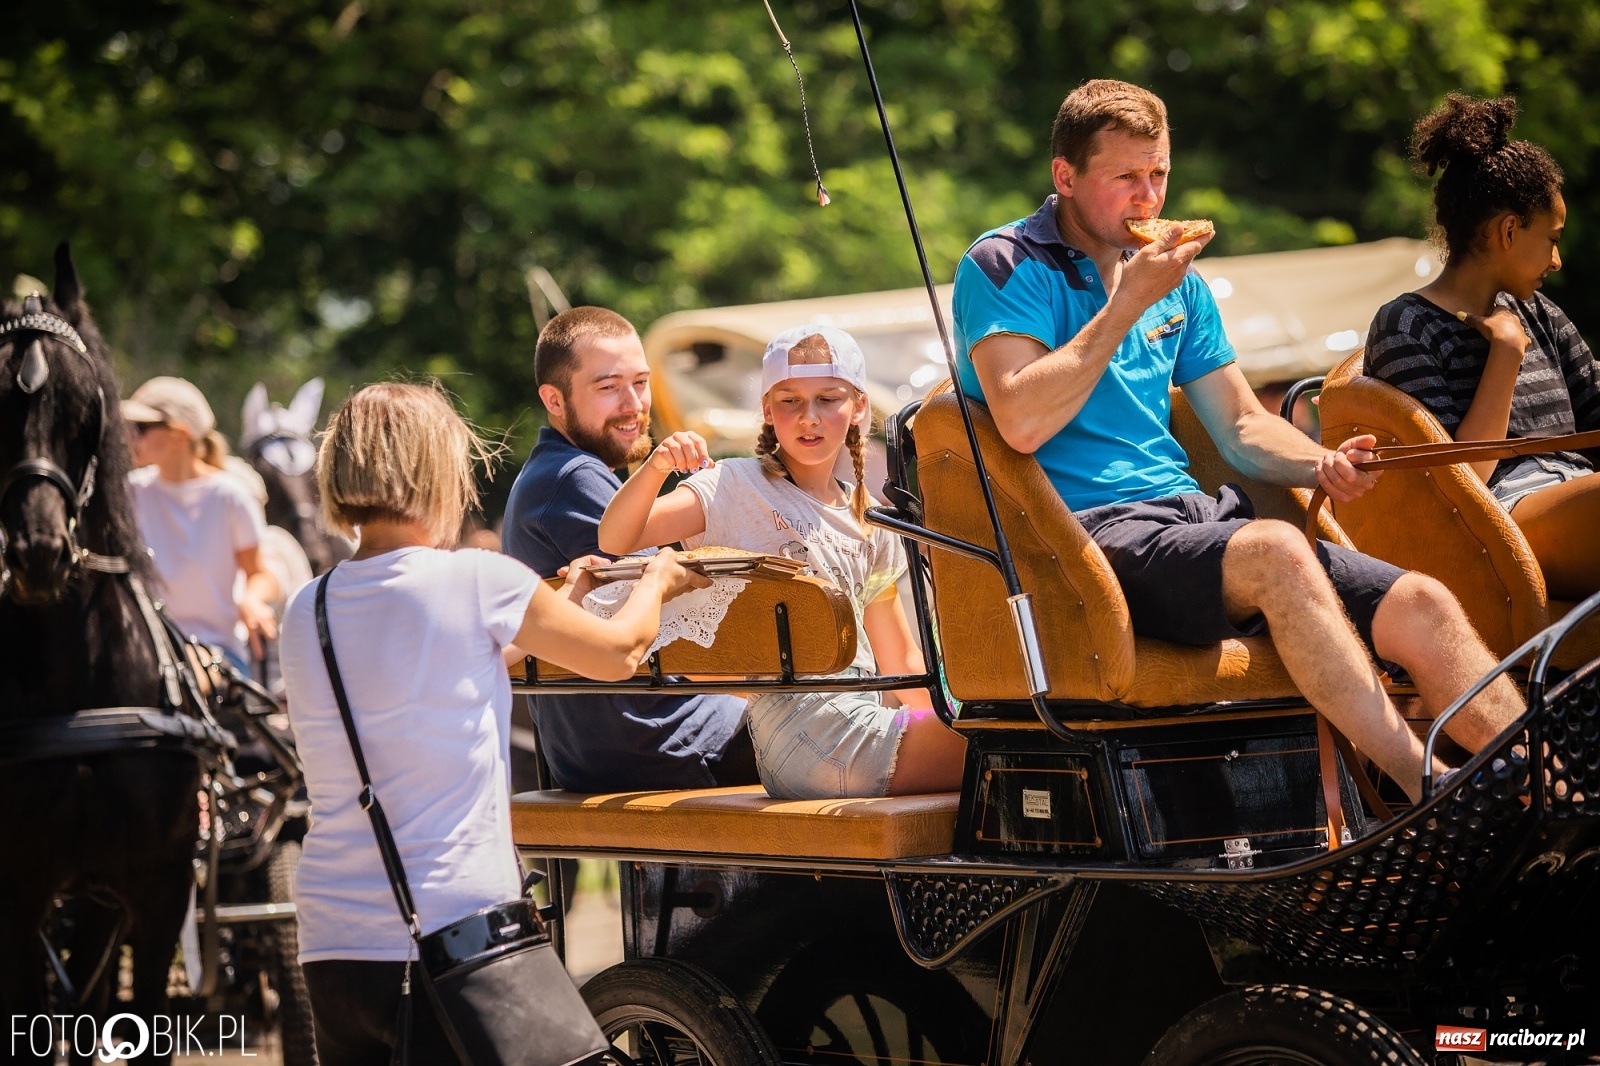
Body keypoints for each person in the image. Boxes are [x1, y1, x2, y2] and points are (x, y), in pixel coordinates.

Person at [950, 79, 1522, 801]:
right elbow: (1021, 420)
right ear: (1065, 176)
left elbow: (1244, 426)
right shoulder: (1003, 263)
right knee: (1277, 549)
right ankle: (1429, 792)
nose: (1148, 198)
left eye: (1158, 174)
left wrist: (1321, 463)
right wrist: (1128, 302)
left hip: (1187, 518)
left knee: (1425, 603)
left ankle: (1540, 791)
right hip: (1079, 538)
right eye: (1124, 177)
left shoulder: (1177, 284)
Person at [280, 382, 703, 1064]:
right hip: (456, 930)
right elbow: (621, 653)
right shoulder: (477, 578)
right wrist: (655, 580)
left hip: (334, 943)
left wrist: (567, 596)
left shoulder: (308, 606)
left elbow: (450, 661)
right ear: (435, 471)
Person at [598, 324, 966, 800]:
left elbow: (900, 657)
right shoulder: (733, 485)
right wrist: (659, 465)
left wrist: (954, 715)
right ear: (768, 411)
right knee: (994, 752)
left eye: (828, 399)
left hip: (857, 716)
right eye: (790, 401)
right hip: (803, 727)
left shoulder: (868, 518)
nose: (808, 418)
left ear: (858, 409)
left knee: (993, 740)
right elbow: (615, 536)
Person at [503, 307, 757, 791]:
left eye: (640, 382)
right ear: (553, 400)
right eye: (607, 387)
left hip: (629, 740)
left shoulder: (556, 472)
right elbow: (675, 608)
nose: (634, 404)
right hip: (661, 741)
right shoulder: (571, 477)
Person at [1365, 92, 1600, 600]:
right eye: (1552, 238)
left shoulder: (1541, 313)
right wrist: (1506, 355)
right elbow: (1461, 482)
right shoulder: (1405, 325)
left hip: (1574, 492)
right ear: (1509, 231)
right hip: (1499, 517)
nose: (1556, 261)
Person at [124, 376, 278, 674]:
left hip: (215, 653)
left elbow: (259, 574)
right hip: (143, 650)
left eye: (140, 428)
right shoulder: (129, 492)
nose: (130, 437)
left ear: (179, 435)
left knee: (182, 681)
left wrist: (252, 599)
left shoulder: (229, 497)